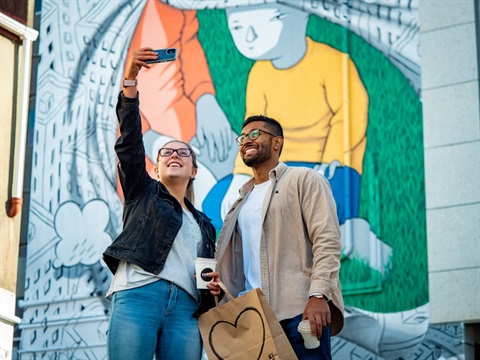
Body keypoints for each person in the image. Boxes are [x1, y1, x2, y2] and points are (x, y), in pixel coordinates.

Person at [102, 48, 221, 360]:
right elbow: (129, 142)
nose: (174, 155)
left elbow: (206, 278)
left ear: (194, 171)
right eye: (166, 152)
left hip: (185, 308)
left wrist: (214, 290)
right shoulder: (143, 192)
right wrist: (130, 82)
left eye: (183, 152)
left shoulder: (205, 225)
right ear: (155, 168)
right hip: (139, 295)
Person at [215, 115, 344, 359]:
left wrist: (318, 295)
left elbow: (327, 240)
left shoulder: (305, 179)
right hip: (255, 320)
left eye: (255, 134)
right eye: (242, 138)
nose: (246, 141)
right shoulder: (239, 202)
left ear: (277, 143)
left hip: (299, 312)